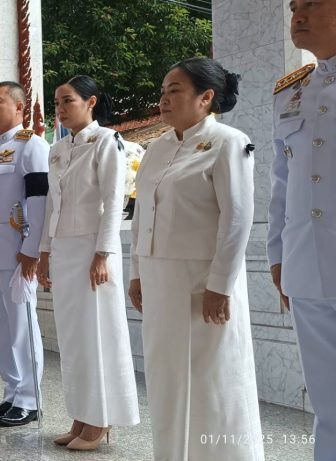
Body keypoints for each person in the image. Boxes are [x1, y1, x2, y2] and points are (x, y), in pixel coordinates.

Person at [128, 57, 264, 460]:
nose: (164, 100)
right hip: (160, 280)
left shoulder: (228, 142)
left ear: (206, 97)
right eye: (163, 91)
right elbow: (141, 215)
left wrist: (220, 286)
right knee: (167, 377)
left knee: (212, 380)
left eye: (175, 91)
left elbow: (237, 218)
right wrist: (137, 272)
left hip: (202, 282)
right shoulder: (157, 148)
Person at [37, 75, 140, 450]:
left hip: (93, 248)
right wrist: (44, 252)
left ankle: (100, 419)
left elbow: (114, 202)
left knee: (98, 333)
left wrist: (103, 253)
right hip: (64, 248)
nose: (61, 109)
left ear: (91, 102)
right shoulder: (57, 149)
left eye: (68, 101)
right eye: (57, 103)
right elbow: (51, 203)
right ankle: (81, 414)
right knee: (73, 338)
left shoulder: (107, 141)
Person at [269, 2, 336, 459]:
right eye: (294, 6)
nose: (298, 14)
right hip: (306, 263)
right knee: (327, 401)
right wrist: (277, 255)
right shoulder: (291, 91)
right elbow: (282, 180)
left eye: (311, 2)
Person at [0, 81, 48, 427]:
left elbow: (39, 201)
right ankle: (12, 393)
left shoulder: (31, 145)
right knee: (2, 328)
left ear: (19, 107)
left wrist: (31, 250)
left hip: (18, 254)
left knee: (22, 327)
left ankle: (30, 400)